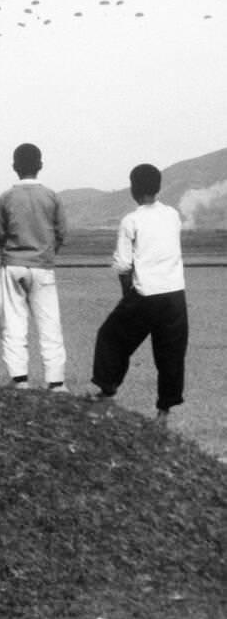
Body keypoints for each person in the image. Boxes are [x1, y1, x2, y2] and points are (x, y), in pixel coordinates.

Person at [89, 164, 188, 424]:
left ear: (133, 189)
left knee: (110, 337)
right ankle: (163, 414)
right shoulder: (172, 215)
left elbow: (123, 264)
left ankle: (107, 391)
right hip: (175, 294)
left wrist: (126, 295)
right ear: (158, 187)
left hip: (145, 294)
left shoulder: (131, 220)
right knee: (171, 354)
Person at [0, 143, 68, 390]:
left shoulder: (6, 197)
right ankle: (55, 382)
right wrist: (45, 253)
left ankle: (19, 379)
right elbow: (61, 233)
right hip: (43, 266)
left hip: (12, 265)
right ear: (40, 165)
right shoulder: (51, 196)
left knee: (13, 324)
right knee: (49, 325)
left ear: (14, 167)